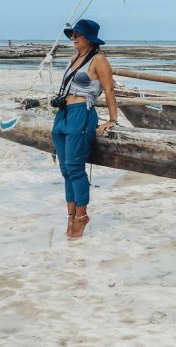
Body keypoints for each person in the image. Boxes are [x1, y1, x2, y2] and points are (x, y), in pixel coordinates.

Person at [52, 19, 118, 238]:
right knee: (65, 170)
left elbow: (109, 90)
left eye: (77, 35)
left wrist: (112, 119)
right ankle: (70, 216)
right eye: (72, 35)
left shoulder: (99, 60)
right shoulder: (74, 58)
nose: (73, 39)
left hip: (82, 113)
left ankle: (81, 217)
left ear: (88, 38)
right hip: (63, 114)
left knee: (75, 167)